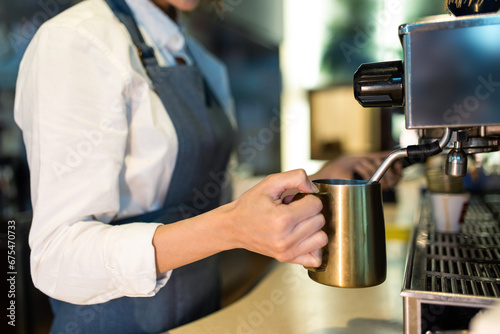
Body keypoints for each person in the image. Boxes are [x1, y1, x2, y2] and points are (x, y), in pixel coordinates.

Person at [14, 0, 401, 332]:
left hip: (205, 316)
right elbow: (56, 257)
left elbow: (213, 193)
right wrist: (231, 226)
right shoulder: (77, 40)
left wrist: (317, 180)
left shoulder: (200, 60)